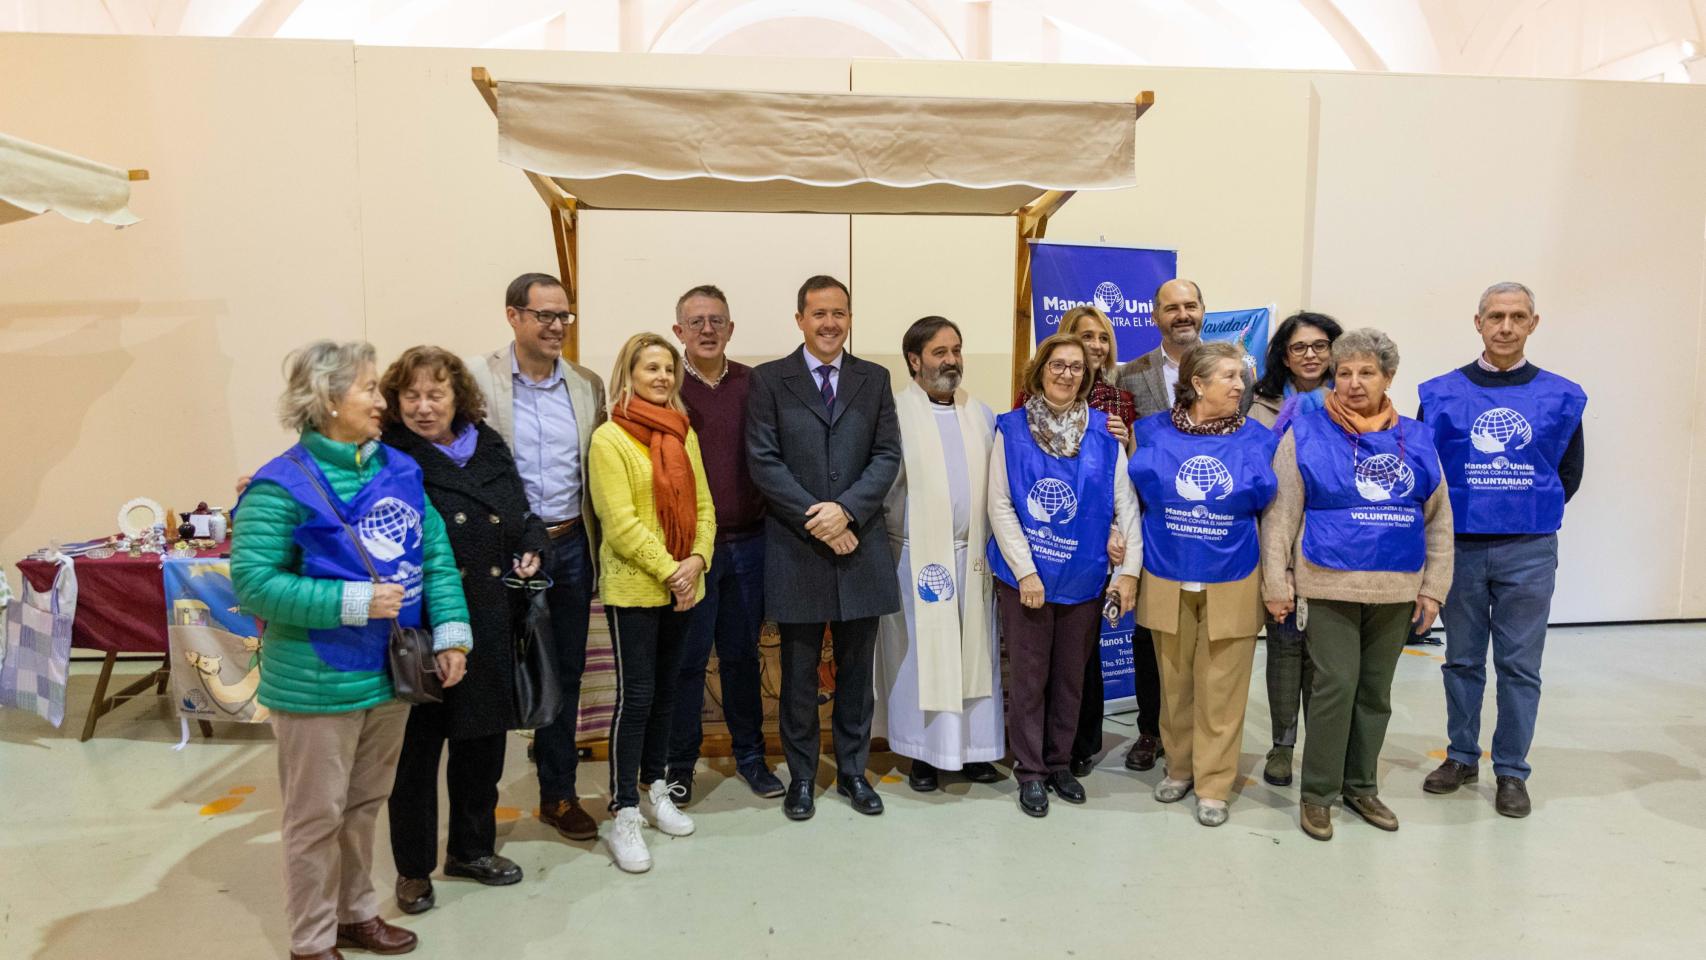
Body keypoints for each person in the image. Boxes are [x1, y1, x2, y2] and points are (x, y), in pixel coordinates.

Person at [233, 340, 471, 960]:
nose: (380, 399)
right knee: (315, 820)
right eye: (368, 388)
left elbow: (436, 558)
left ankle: (356, 913)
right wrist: (353, 602)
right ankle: (311, 942)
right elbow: (254, 584)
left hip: (390, 672)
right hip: (316, 681)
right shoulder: (279, 485)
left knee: (364, 806)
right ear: (327, 400)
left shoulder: (399, 468)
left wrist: (451, 635)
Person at [1260, 327, 1454, 841]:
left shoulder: (1418, 437)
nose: (1353, 382)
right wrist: (1277, 583)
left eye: (1366, 372)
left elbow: (1438, 518)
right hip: (1327, 585)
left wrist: (1434, 587)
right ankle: (1318, 793)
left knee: (1375, 693)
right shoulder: (1304, 432)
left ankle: (1361, 785)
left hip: (1396, 588)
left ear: (1388, 377)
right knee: (1334, 687)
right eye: (1343, 372)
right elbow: (1280, 516)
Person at [378, 346, 548, 913]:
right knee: (416, 754)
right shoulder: (385, 455)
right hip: (419, 624)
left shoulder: (487, 444)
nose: (424, 408)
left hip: (490, 615)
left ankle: (472, 849)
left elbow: (520, 511)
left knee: (482, 742)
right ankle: (412, 868)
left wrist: (531, 545)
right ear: (395, 401)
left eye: (436, 395)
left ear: (459, 398)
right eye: (412, 397)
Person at [1418, 282, 1586, 818]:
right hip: (1461, 548)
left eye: (1517, 316)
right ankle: (1463, 756)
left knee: (1519, 666)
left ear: (1533, 324)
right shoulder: (1440, 394)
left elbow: (1568, 473)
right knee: (1462, 659)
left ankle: (1511, 770)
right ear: (1478, 322)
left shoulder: (1561, 396)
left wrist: (1521, 508)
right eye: (1496, 316)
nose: (1506, 326)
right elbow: (1425, 472)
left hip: (1528, 548)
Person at [746, 275, 902, 821]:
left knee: (859, 675)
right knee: (799, 673)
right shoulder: (769, 380)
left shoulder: (875, 379)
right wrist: (821, 518)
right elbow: (763, 461)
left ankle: (855, 773)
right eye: (819, 314)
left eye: (839, 312)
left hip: (861, 545)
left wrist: (848, 511)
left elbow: (886, 456)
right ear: (800, 320)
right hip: (798, 547)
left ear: (850, 318)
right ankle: (803, 778)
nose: (830, 323)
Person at [467, 272, 606, 844]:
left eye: (563, 316)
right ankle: (477, 812)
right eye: (543, 315)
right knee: (490, 674)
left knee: (563, 672)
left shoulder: (586, 384)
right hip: (500, 552)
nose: (555, 327)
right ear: (513, 316)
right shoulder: (477, 380)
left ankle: (558, 793)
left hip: (570, 545)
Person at [989, 333, 1141, 817]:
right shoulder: (1009, 429)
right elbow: (999, 505)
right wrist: (1026, 571)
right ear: (1040, 370)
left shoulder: (1104, 432)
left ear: (1087, 375)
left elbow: (1124, 503)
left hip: (1084, 577)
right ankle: (1030, 771)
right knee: (1030, 679)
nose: (1067, 373)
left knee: (1070, 678)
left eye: (1076, 367)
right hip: (1026, 580)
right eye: (1057, 364)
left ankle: (1058, 764)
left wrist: (1128, 571)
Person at [1128, 341, 1279, 826]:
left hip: (1232, 575)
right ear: (1197, 383)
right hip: (1166, 572)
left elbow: (1271, 513)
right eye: (1229, 377)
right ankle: (1178, 767)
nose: (1240, 385)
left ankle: (1214, 783)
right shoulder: (1147, 433)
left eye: (1241, 376)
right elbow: (1130, 503)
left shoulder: (1260, 438)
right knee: (1174, 686)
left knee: (1222, 688)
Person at [586, 332, 716, 873]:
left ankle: (656, 786)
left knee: (668, 692)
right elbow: (619, 525)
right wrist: (672, 572)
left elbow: (705, 507)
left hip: (684, 584)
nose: (662, 377)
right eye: (650, 369)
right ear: (629, 375)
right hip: (637, 588)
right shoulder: (609, 439)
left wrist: (698, 561)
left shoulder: (683, 433)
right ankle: (623, 811)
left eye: (668, 369)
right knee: (635, 698)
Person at [874, 316, 1004, 792]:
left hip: (972, 558)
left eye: (956, 350)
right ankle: (924, 754)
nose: (951, 361)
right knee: (921, 659)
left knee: (975, 652)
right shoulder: (894, 415)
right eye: (939, 352)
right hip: (916, 558)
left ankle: (973, 751)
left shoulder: (982, 414)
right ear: (914, 360)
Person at [666, 285, 785, 803]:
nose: (707, 330)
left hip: (750, 543)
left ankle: (752, 758)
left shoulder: (753, 384)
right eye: (696, 322)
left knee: (741, 657)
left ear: (732, 329)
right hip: (690, 551)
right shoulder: (664, 386)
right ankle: (679, 765)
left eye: (717, 321)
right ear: (679, 332)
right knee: (688, 661)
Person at [1017, 306, 1138, 778]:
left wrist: (1113, 532)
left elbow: (1120, 482)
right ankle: (1031, 765)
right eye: (1082, 339)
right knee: (1033, 675)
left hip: (1089, 559)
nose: (1091, 349)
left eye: (1100, 339)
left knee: (1076, 670)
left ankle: (1066, 756)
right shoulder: (1017, 421)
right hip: (1037, 559)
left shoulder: (1112, 416)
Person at [1246, 310, 1344, 788]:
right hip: (1276, 533)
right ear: (1283, 354)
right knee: (1284, 648)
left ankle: (1326, 747)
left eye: (1320, 345)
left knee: (1328, 654)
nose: (1310, 355)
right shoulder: (1259, 403)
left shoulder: (1352, 401)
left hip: (1336, 543)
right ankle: (1282, 746)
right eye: (1299, 347)